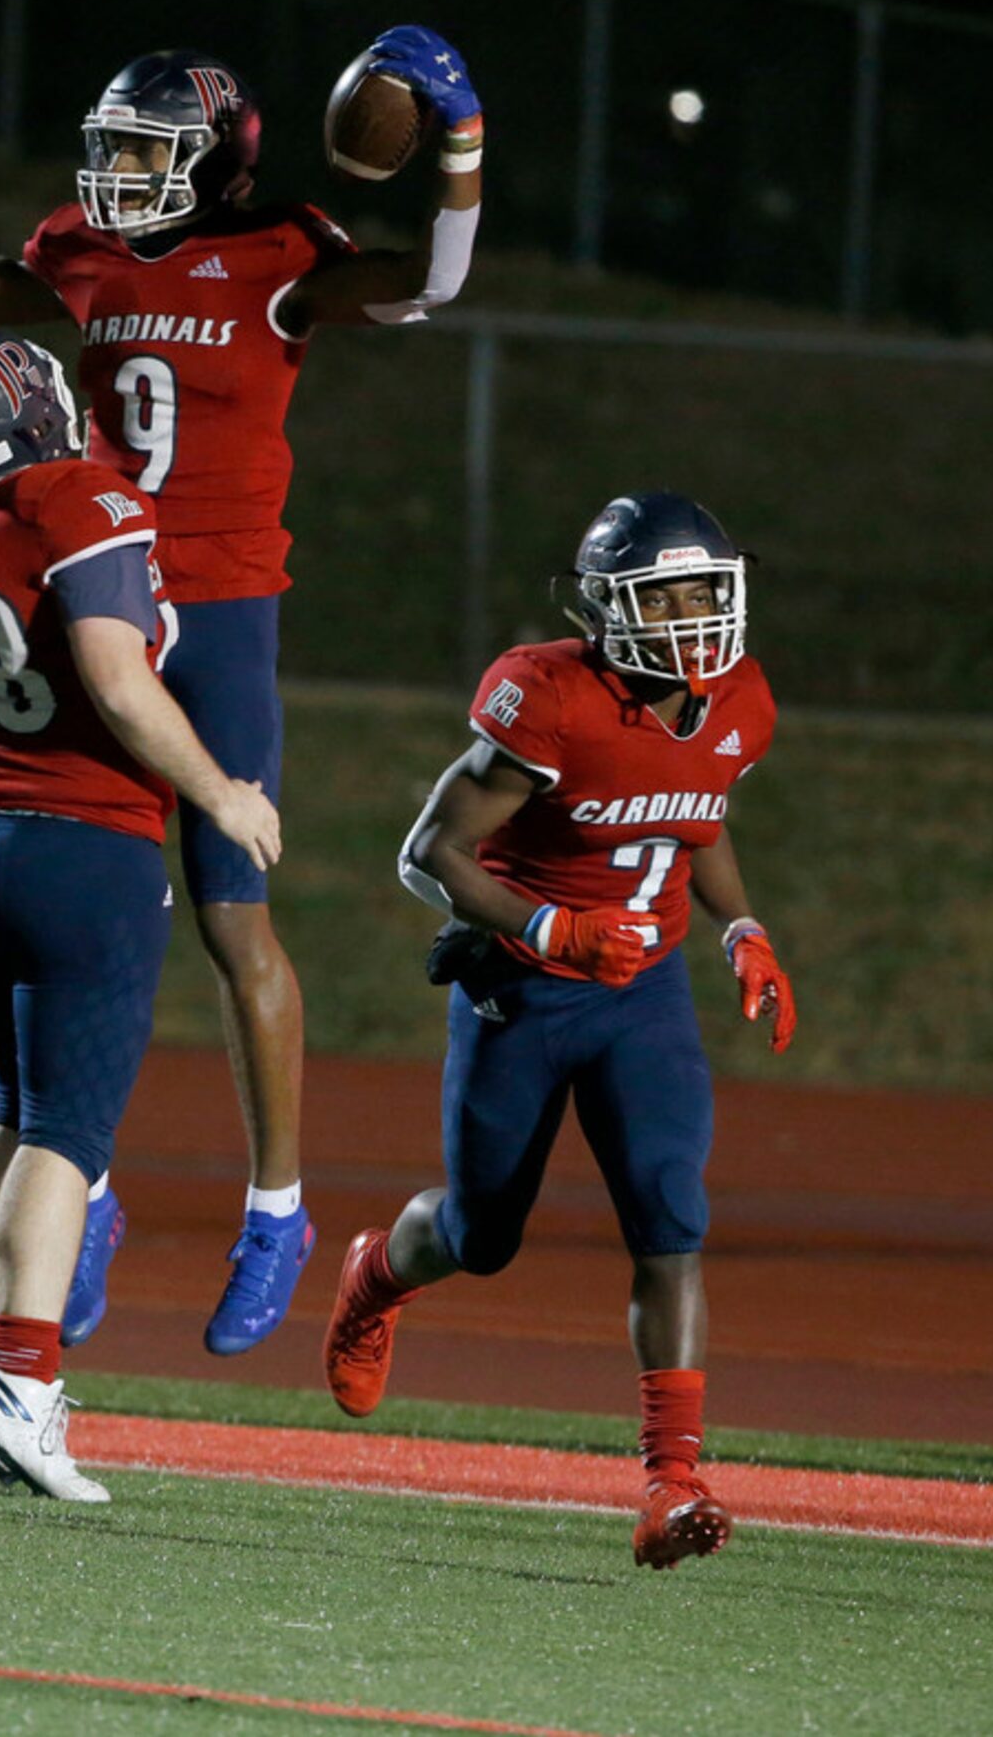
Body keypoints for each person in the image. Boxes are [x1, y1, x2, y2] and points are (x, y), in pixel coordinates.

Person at [0, 9, 484, 1355]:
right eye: (109, 149)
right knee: (78, 899)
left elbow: (432, 283)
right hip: (103, 600)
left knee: (232, 922)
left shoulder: (280, 253)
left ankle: (278, 1209)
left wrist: (462, 145)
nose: (114, 175)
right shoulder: (76, 253)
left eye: (144, 151)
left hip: (226, 613)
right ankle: (91, 1186)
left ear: (212, 163)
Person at [321, 492, 797, 1570]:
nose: (693, 619)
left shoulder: (741, 701)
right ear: (610, 609)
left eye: (706, 593)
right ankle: (376, 1276)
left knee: (672, 1214)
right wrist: (552, 925)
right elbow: (428, 852)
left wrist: (744, 929)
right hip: (525, 988)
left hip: (643, 991)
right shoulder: (550, 697)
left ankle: (671, 1484)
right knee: (483, 1238)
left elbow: (696, 817)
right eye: (664, 597)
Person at [0, 324, 281, 1502]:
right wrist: (218, 789)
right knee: (68, 1130)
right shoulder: (80, 499)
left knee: (10, 1111)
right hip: (82, 842)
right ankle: (25, 1379)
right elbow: (117, 678)